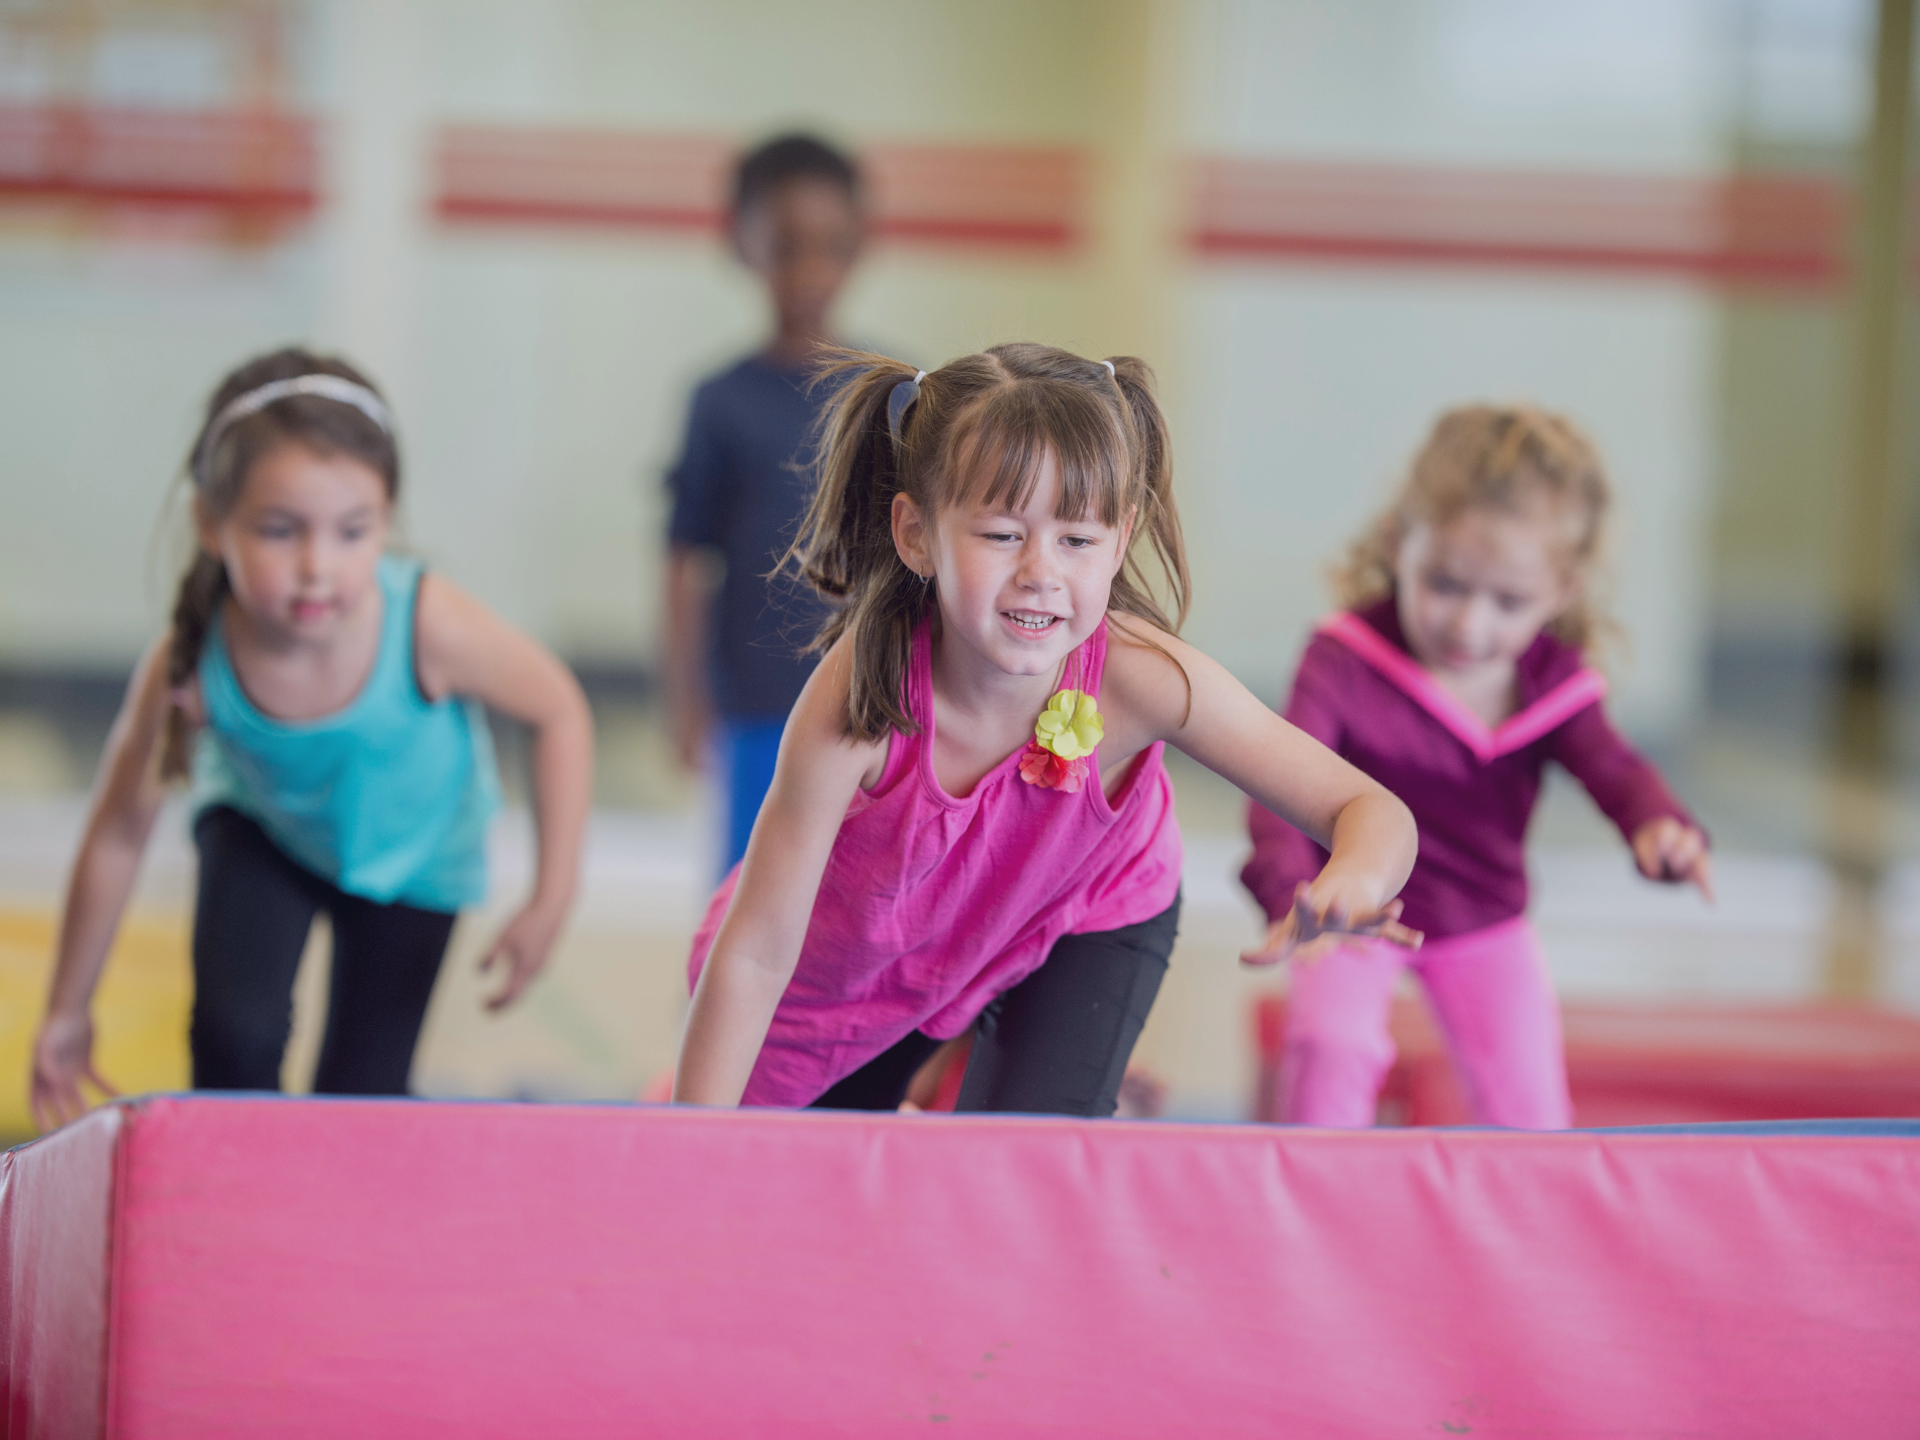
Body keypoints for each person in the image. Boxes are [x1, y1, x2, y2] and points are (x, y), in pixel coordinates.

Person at [672, 343, 1420, 1114]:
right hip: (865, 967)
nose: (1041, 571)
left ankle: (1059, 1085)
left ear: (1120, 540)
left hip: (1087, 910)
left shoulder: (1142, 677)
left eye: (1077, 540)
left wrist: (1352, 880)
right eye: (1001, 534)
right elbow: (758, 952)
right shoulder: (862, 696)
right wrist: (691, 1144)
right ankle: (965, 1073)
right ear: (916, 533)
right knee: (800, 1184)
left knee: (1017, 1166)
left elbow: (1371, 811)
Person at [30, 347, 594, 1130]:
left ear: (386, 520)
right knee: (235, 1037)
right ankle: (222, 1223)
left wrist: (552, 893)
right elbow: (120, 830)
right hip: (270, 831)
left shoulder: (428, 624)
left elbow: (558, 708)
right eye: (279, 530)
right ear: (211, 524)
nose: (316, 567)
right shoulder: (190, 659)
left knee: (358, 1102)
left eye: (352, 531)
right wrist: (68, 1007)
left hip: (415, 854)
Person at [1242, 405, 1711, 1130]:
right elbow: (1279, 782)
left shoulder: (1552, 683)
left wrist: (1660, 827)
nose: (1469, 624)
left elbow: (1614, 770)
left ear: (1561, 593)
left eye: (1509, 601)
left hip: (1484, 921)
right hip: (1352, 908)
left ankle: (1529, 1230)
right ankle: (1311, 1210)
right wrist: (1294, 894)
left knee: (1527, 1107)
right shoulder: (1343, 659)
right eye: (1445, 584)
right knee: (1330, 1045)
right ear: (1400, 545)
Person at [663, 133, 866, 874]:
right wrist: (684, 700)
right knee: (749, 891)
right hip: (752, 704)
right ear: (743, 244)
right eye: (786, 245)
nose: (809, 269)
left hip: (866, 699)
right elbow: (683, 557)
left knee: (853, 894)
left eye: (829, 245)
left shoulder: (895, 394)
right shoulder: (718, 402)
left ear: (859, 247)